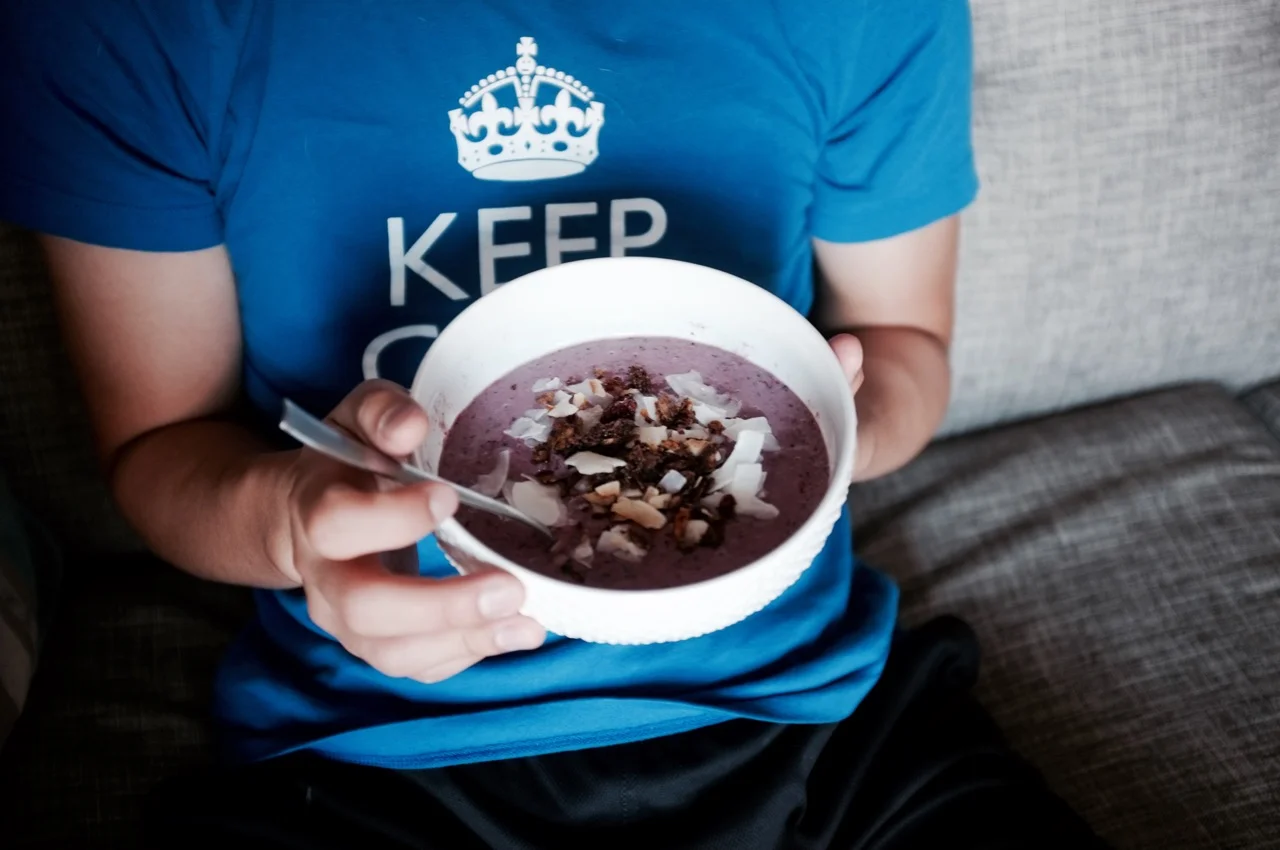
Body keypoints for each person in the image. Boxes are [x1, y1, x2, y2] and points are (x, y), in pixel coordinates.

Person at [0, 1, 1110, 847]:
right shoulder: (132, 26)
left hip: (815, 715)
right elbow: (157, 452)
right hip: (370, 748)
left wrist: (828, 431)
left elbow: (902, 347)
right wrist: (294, 523)